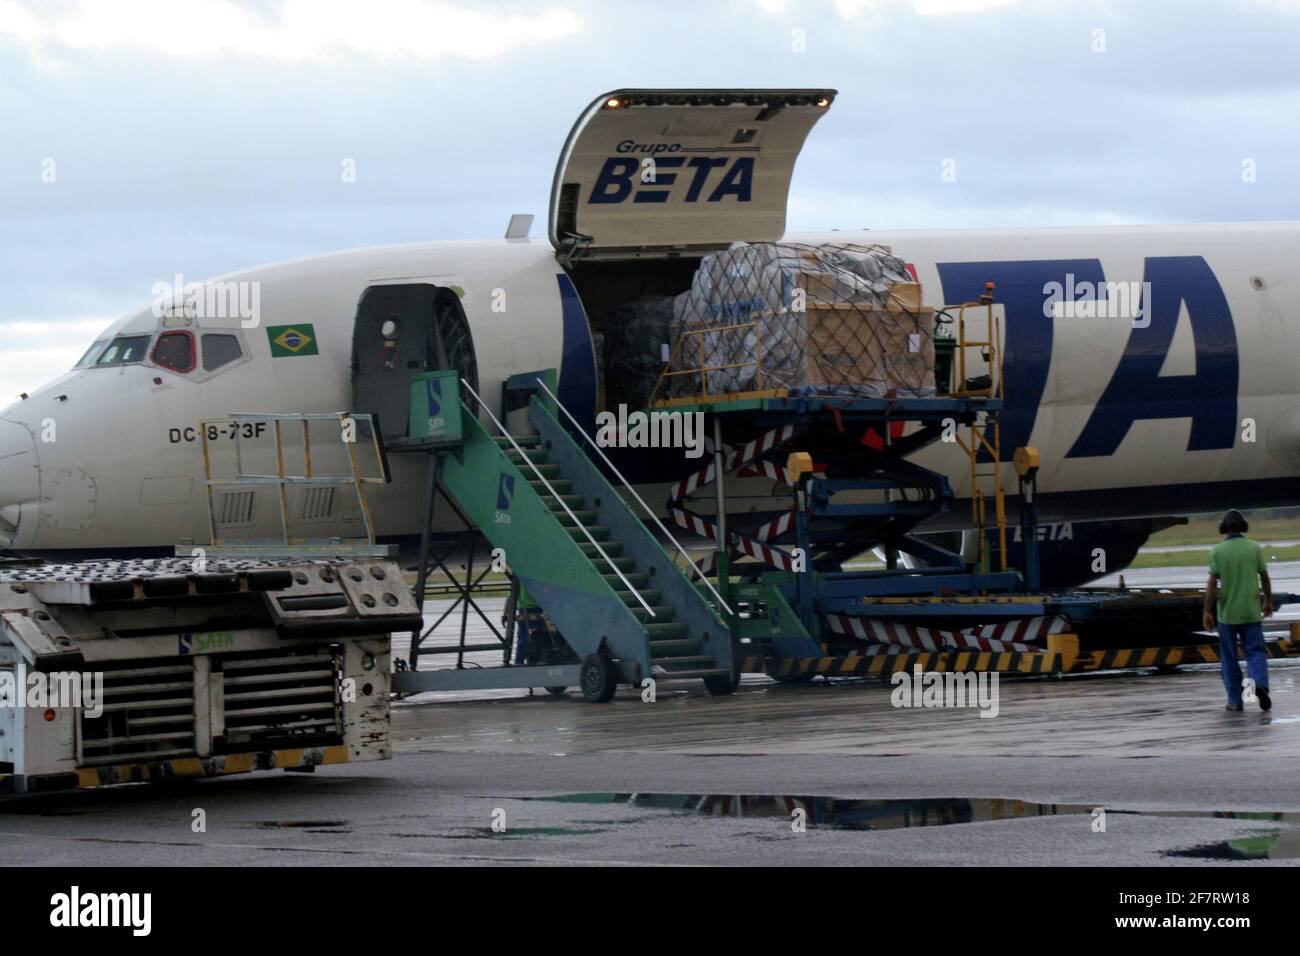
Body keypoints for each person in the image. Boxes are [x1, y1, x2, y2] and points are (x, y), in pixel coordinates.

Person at [1202, 509, 1272, 712]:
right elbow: (1265, 576)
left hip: (1227, 614)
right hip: (1251, 610)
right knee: (1255, 652)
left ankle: (1236, 700)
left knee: (1230, 658)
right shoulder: (1254, 548)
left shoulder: (1217, 551)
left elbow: (1212, 582)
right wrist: (1267, 600)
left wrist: (1207, 610)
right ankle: (1258, 683)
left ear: (1223, 528)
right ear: (1243, 526)